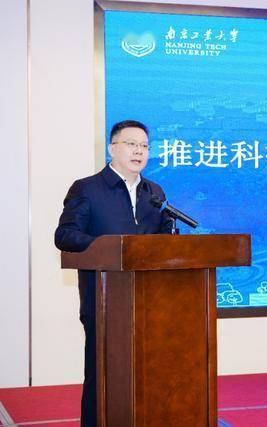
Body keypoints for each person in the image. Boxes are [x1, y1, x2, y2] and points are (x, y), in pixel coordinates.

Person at [54, 120, 173, 427]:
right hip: (103, 299)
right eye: (131, 144)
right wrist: (110, 248)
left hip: (149, 300)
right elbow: (65, 235)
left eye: (144, 146)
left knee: (148, 371)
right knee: (103, 373)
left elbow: (164, 241)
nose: (139, 151)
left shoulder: (154, 193)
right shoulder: (87, 189)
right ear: (112, 148)